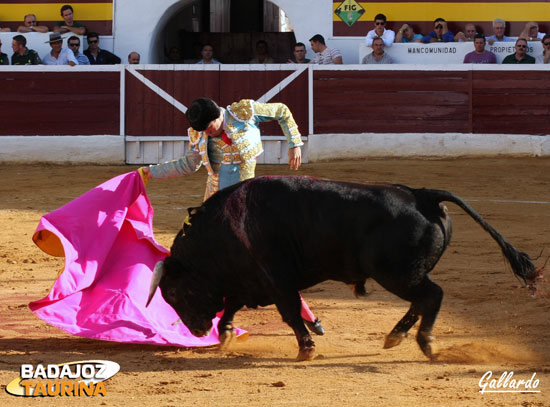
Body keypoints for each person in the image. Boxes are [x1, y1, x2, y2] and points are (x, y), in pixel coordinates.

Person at [139, 97, 325, 336]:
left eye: (210, 127)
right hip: (215, 205)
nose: (207, 132)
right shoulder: (199, 134)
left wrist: (294, 143)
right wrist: (150, 172)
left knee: (267, 261)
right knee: (211, 263)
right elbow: (189, 164)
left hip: (248, 203)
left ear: (218, 115)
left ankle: (306, 315)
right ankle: (200, 315)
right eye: (203, 130)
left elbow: (282, 110)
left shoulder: (244, 112)